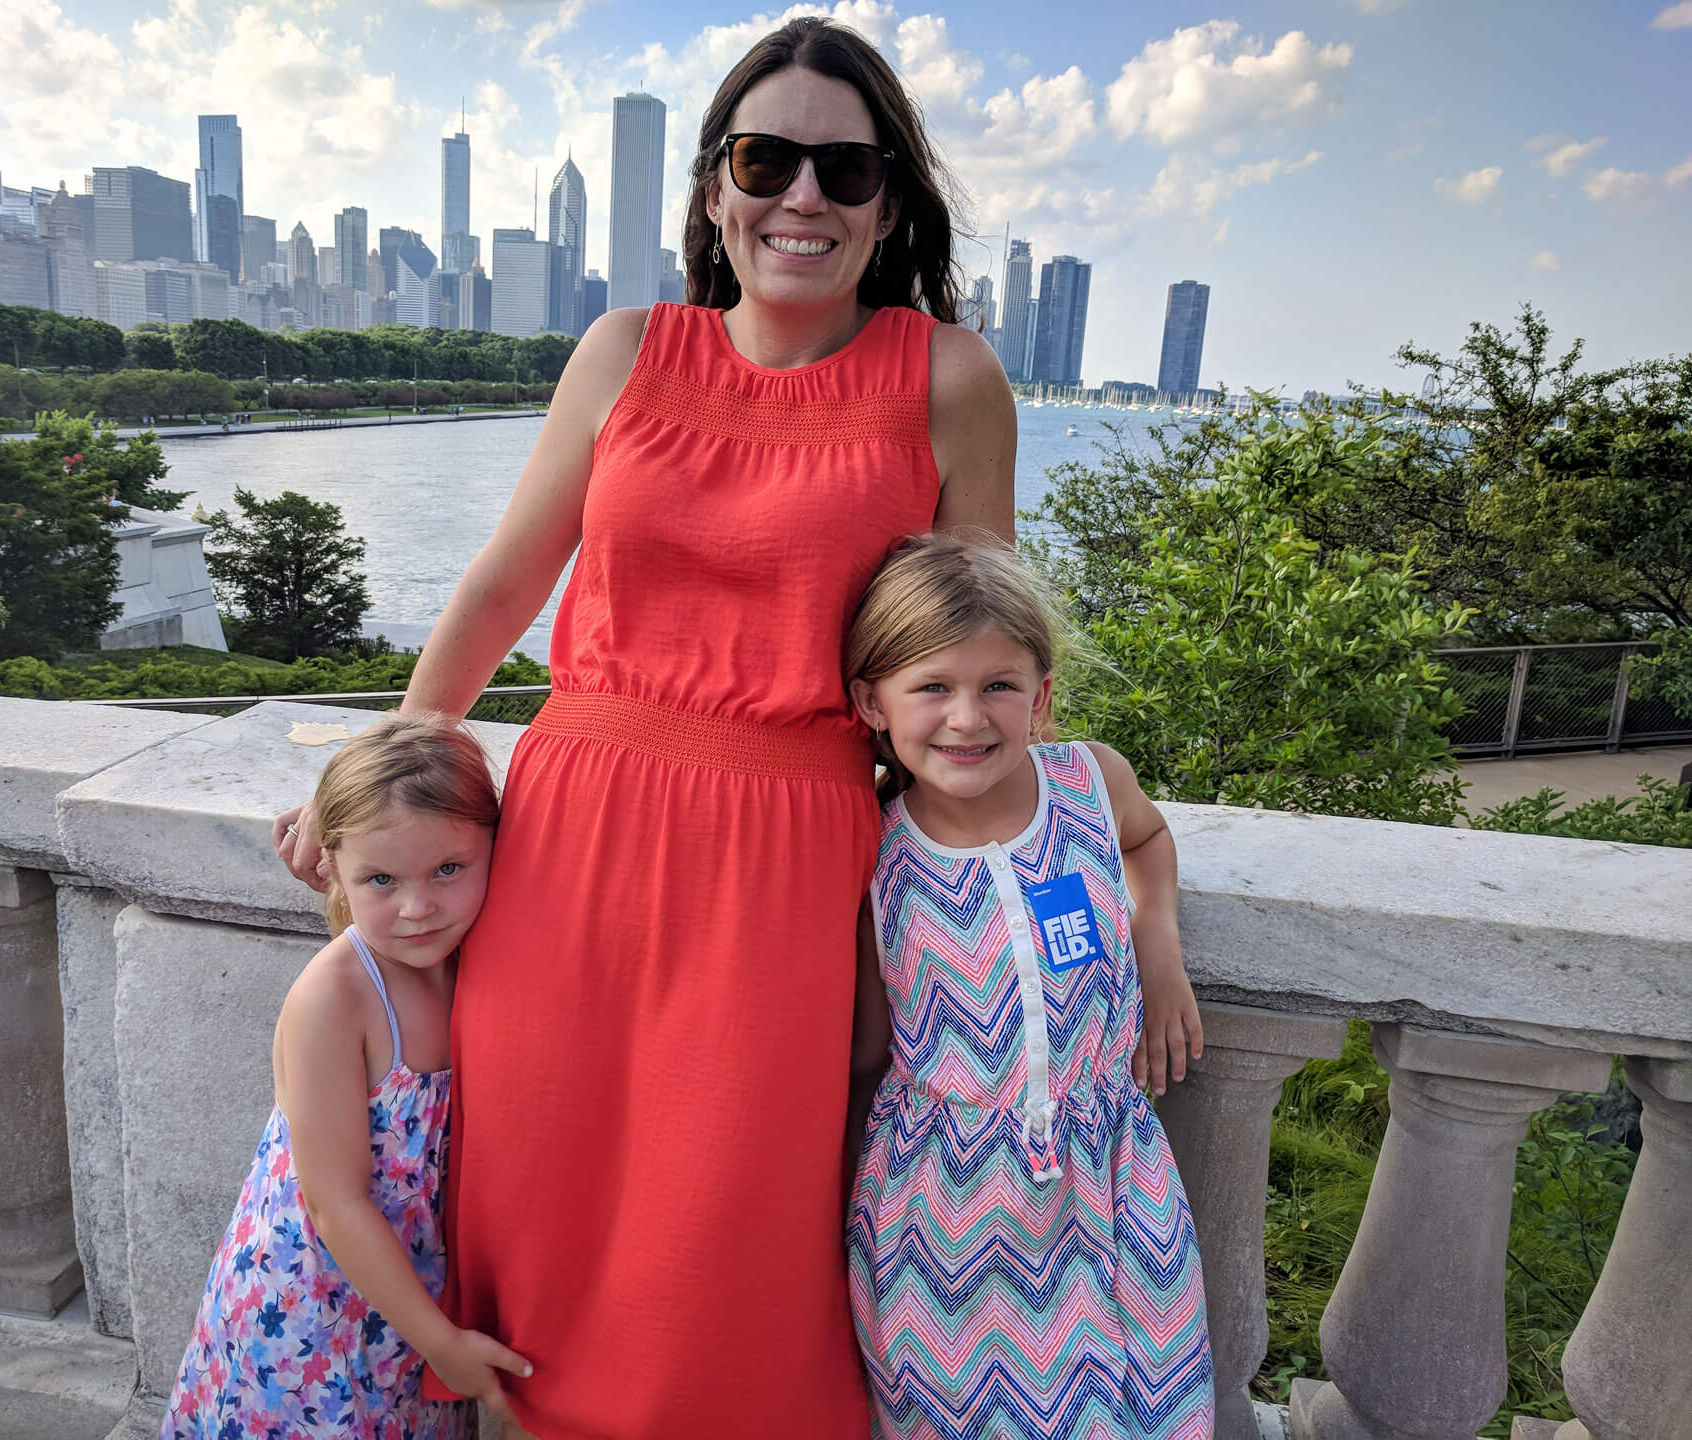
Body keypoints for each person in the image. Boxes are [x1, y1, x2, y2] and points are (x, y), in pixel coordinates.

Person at [274, 17, 1015, 1435]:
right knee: (543, 1193)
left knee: (722, 1230)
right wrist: (385, 768)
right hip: (571, 836)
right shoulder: (626, 351)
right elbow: (505, 581)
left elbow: (969, 657)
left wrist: (1059, 854)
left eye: (844, 170)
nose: (804, 195)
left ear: (890, 203)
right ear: (715, 191)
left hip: (787, 855)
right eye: (767, 157)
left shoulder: (950, 381)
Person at [843, 534, 1215, 1439]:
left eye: (998, 686)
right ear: (871, 703)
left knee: (1152, 1400)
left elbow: (1148, 840)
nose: (968, 718)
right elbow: (865, 1051)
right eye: (932, 686)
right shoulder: (872, 852)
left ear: (1041, 697)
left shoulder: (1090, 782)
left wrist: (1157, 948)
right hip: (946, 1209)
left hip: (1117, 1174)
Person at [165, 717, 532, 1438]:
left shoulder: (473, 963)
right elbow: (336, 1204)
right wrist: (441, 1343)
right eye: (381, 880)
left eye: (448, 870)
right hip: (311, 1313)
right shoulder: (336, 998)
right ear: (329, 865)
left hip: (412, 1299)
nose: (417, 907)